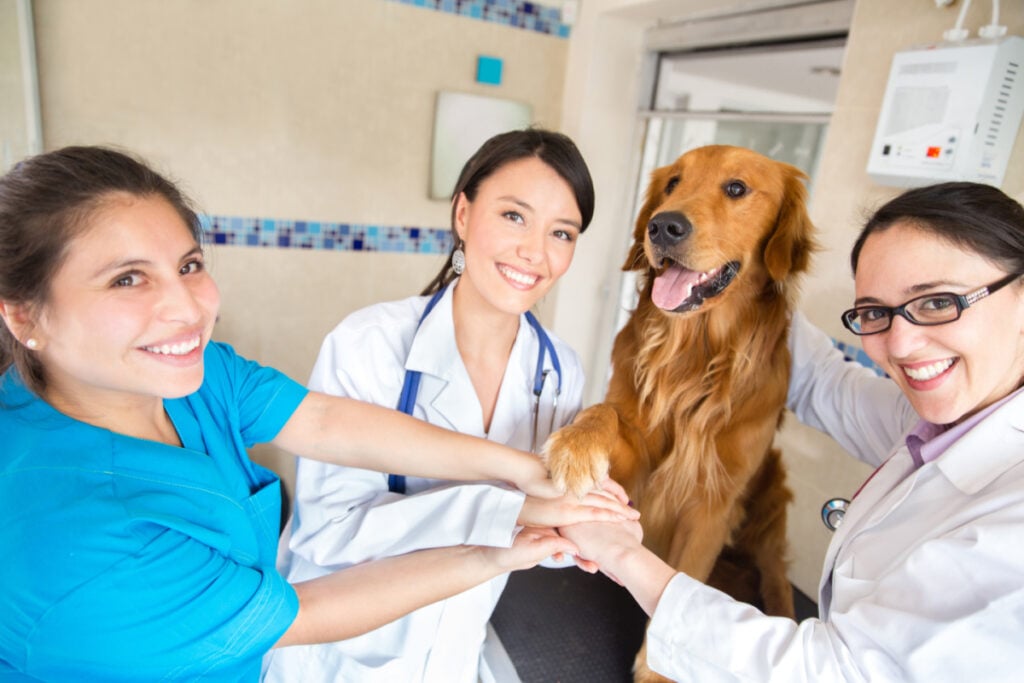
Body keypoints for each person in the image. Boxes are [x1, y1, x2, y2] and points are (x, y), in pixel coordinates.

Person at [0, 145, 636, 682]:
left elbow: (324, 423)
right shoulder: (73, 535)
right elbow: (303, 604)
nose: (187, 309)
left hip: (454, 631)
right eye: (126, 280)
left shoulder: (196, 379)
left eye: (190, 265)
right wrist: (505, 514)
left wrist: (522, 484)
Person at [558, 181, 1024, 682]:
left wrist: (621, 553)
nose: (903, 344)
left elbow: (833, 671)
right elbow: (829, 385)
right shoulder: (937, 421)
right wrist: (727, 278)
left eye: (937, 302)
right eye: (874, 313)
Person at [262, 128, 607, 683]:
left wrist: (583, 524)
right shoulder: (370, 344)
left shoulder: (560, 369)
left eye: (561, 232)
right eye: (514, 216)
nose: (535, 252)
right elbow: (326, 532)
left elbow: (543, 516)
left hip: (459, 649)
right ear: (463, 215)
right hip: (342, 657)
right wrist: (511, 512)